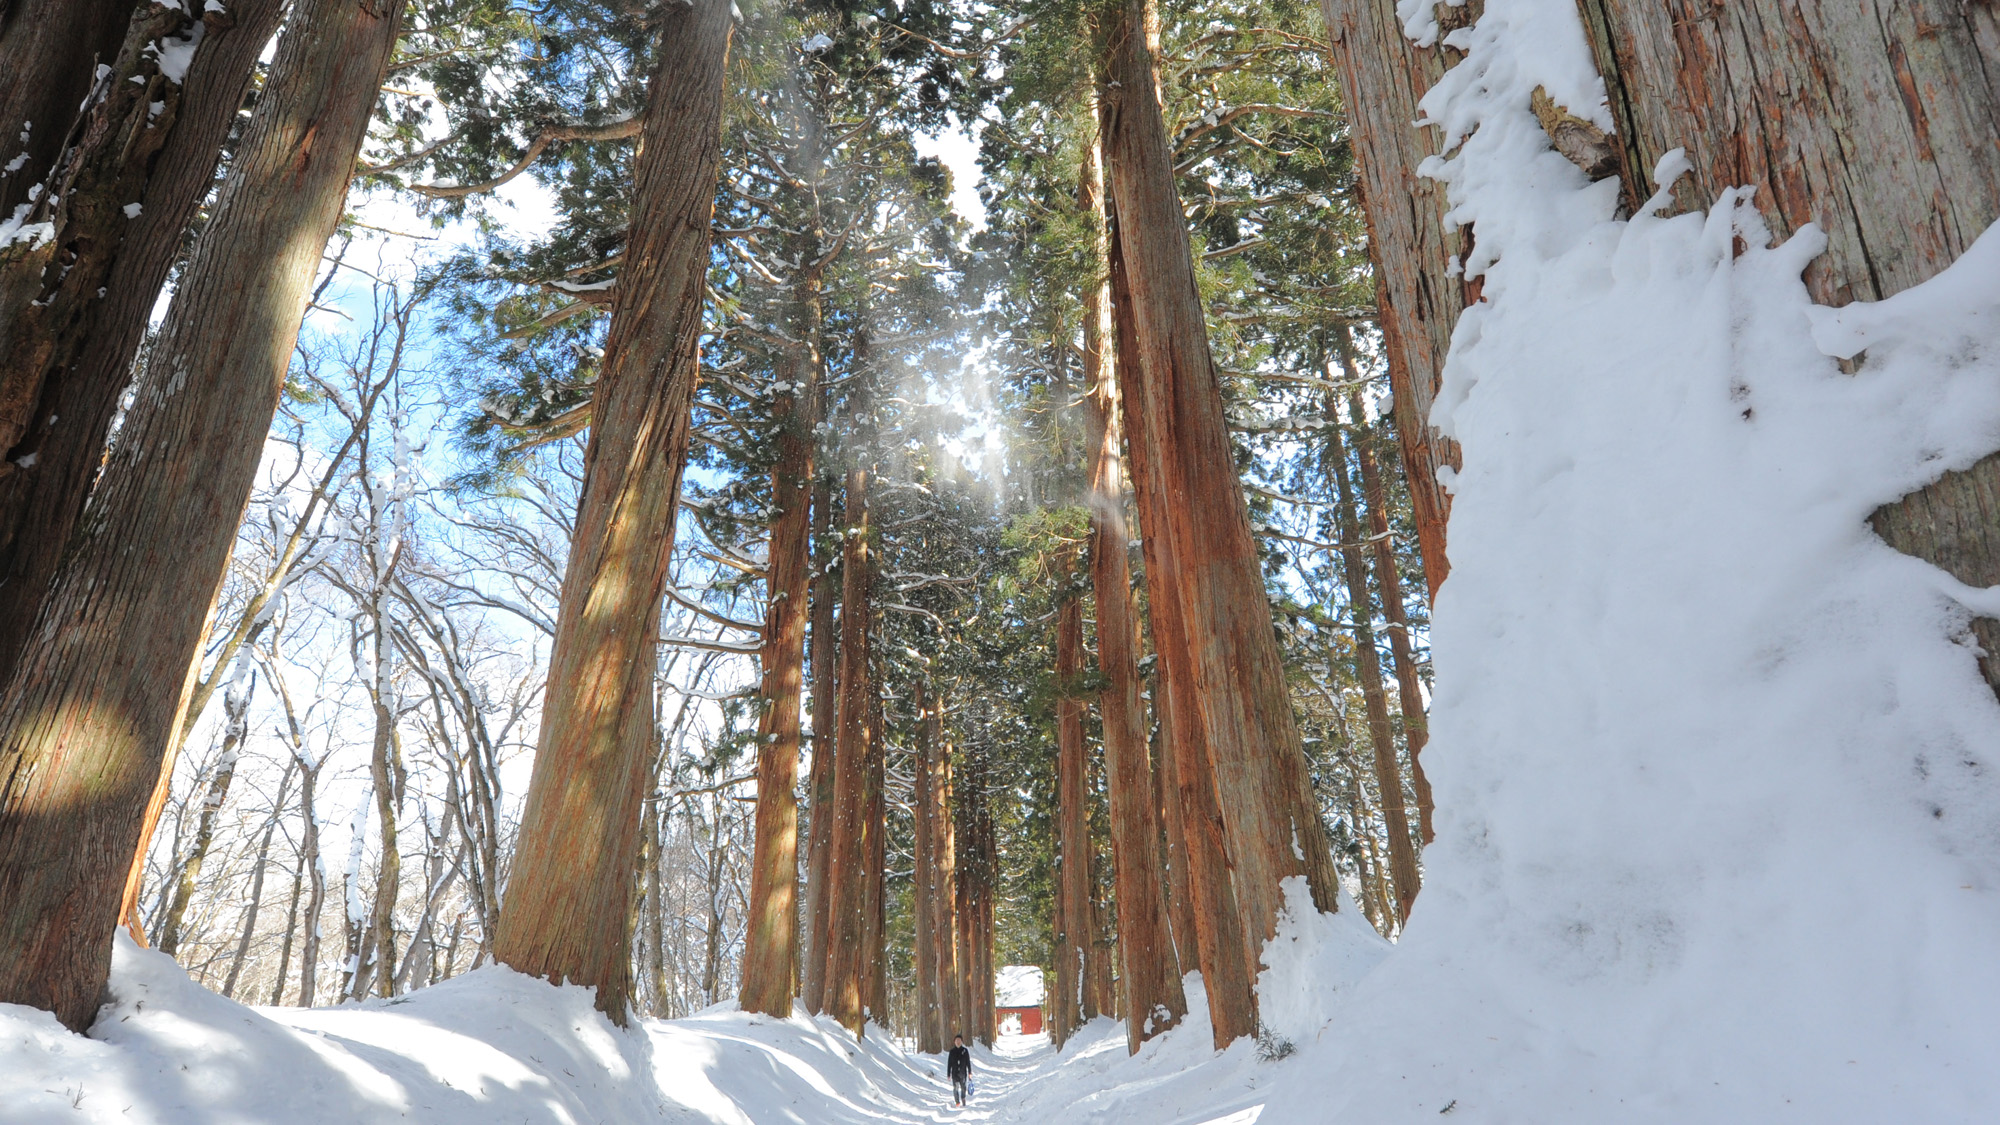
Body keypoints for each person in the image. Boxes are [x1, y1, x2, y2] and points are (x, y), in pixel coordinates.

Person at [947, 1034, 973, 1107]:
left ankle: (963, 1097)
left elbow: (968, 1062)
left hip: (963, 1073)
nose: (958, 1042)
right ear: (954, 1042)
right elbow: (949, 1064)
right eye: (956, 1041)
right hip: (955, 1073)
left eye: (959, 1040)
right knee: (955, 1088)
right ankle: (957, 1101)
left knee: (963, 1087)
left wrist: (970, 1072)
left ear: (961, 1041)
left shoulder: (965, 1051)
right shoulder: (952, 1052)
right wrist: (948, 1074)